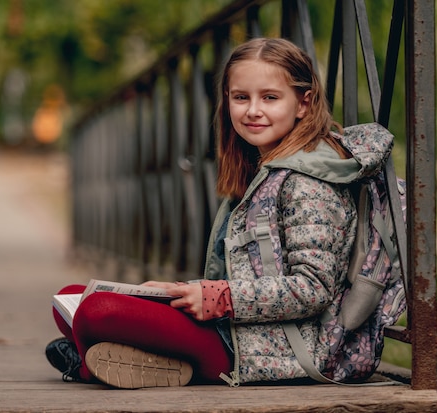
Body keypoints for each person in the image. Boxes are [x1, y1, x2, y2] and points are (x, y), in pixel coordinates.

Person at [46, 37, 360, 389]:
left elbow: (313, 289)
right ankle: (136, 359)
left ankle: (87, 364)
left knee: (96, 312)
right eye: (241, 97)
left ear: (304, 103)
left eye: (270, 97)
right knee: (74, 295)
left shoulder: (308, 183)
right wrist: (182, 291)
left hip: (273, 347)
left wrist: (218, 298)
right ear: (227, 100)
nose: (253, 110)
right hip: (236, 326)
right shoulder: (260, 171)